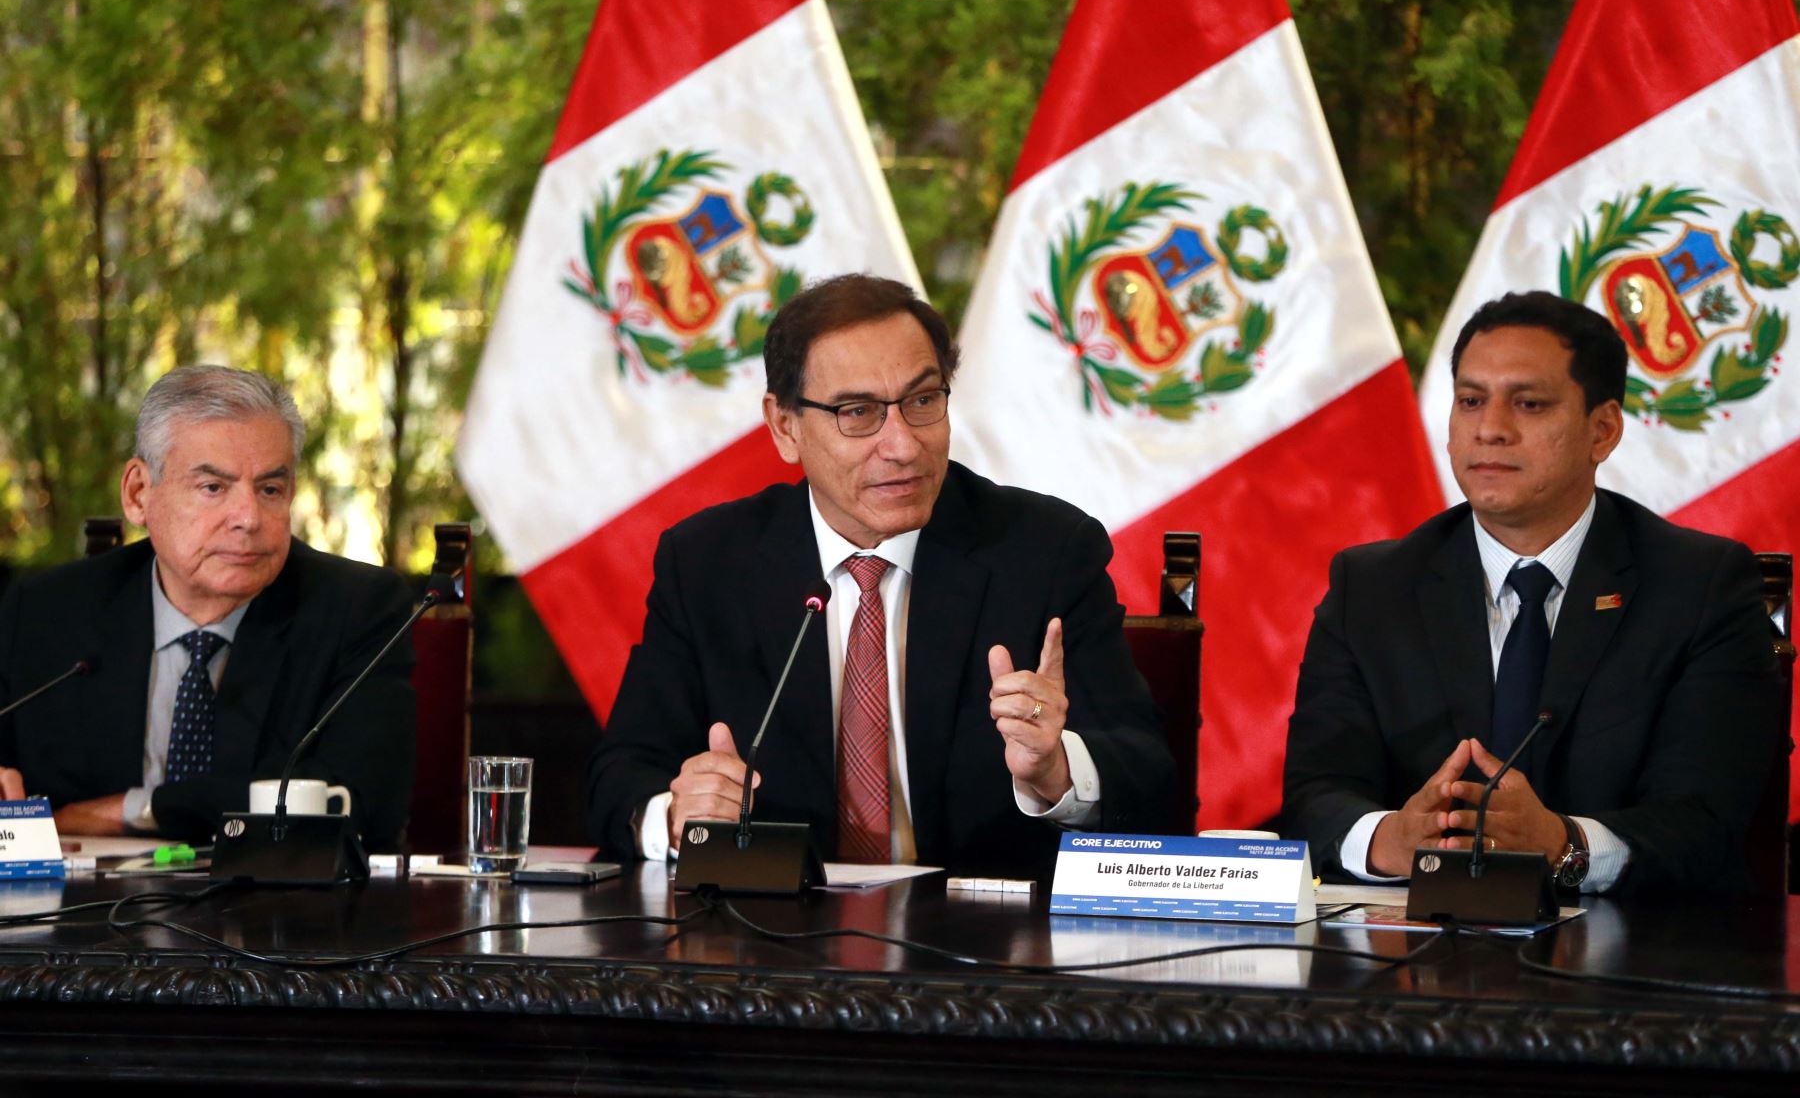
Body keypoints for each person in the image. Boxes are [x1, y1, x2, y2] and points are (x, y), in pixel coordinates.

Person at [585, 274, 1177, 875]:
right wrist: (674, 815)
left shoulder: (1044, 551)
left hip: (984, 948)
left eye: (922, 401)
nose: (902, 445)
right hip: (773, 946)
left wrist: (1054, 771)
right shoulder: (708, 563)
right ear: (786, 427)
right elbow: (620, 778)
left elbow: (1153, 779)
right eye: (858, 412)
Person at [1280, 291, 1784, 894]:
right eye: (1470, 401)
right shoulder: (1372, 588)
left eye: (1529, 403)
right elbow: (1314, 795)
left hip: (1629, 960)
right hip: (1415, 952)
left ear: (1602, 431)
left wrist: (1564, 846)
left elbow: (1706, 821)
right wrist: (1391, 838)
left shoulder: (1699, 586)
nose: (1490, 429)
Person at [0, 366, 416, 848]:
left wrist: (141, 809)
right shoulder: (48, 613)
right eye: (213, 488)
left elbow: (361, 802)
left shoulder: (358, 610)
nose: (248, 518)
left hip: (281, 917)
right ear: (138, 493)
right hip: (72, 910)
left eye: (270, 490)